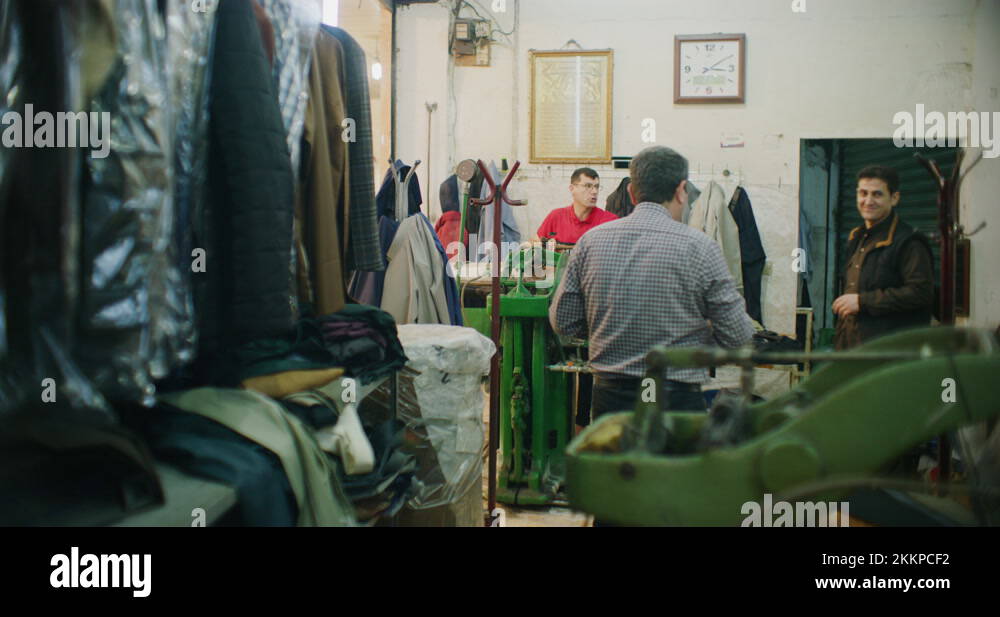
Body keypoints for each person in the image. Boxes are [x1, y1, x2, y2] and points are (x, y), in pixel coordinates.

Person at [549, 146, 754, 415]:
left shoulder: (591, 242)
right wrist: (698, 333)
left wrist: (607, 326)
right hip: (677, 400)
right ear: (682, 190)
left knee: (615, 458)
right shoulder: (701, 247)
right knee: (669, 458)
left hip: (611, 397)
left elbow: (562, 322)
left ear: (632, 193)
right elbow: (739, 338)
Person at [833, 165, 934, 350]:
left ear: (894, 198)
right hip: (851, 344)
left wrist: (862, 302)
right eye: (863, 193)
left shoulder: (909, 242)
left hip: (888, 351)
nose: (868, 201)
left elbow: (920, 293)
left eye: (877, 194)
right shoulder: (856, 237)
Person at [532, 168, 618, 244]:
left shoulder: (610, 221)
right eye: (588, 186)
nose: (594, 191)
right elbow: (535, 242)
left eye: (596, 186)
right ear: (572, 188)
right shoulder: (556, 216)